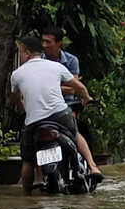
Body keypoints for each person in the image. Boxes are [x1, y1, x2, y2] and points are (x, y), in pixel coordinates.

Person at [10, 35, 92, 195]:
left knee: (28, 161)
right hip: (59, 115)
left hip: (34, 122)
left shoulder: (17, 74)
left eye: (20, 52)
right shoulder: (56, 67)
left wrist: (23, 108)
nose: (19, 56)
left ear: (27, 53)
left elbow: (15, 98)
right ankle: (93, 166)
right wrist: (87, 99)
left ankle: (27, 196)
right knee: (75, 135)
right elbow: (80, 88)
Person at [40, 25, 103, 186]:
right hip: (43, 106)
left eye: (48, 42)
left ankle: (92, 166)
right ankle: (38, 177)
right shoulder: (39, 61)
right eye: (43, 41)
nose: (44, 45)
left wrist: (50, 86)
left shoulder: (71, 60)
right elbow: (71, 85)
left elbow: (73, 88)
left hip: (66, 105)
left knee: (75, 132)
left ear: (59, 43)